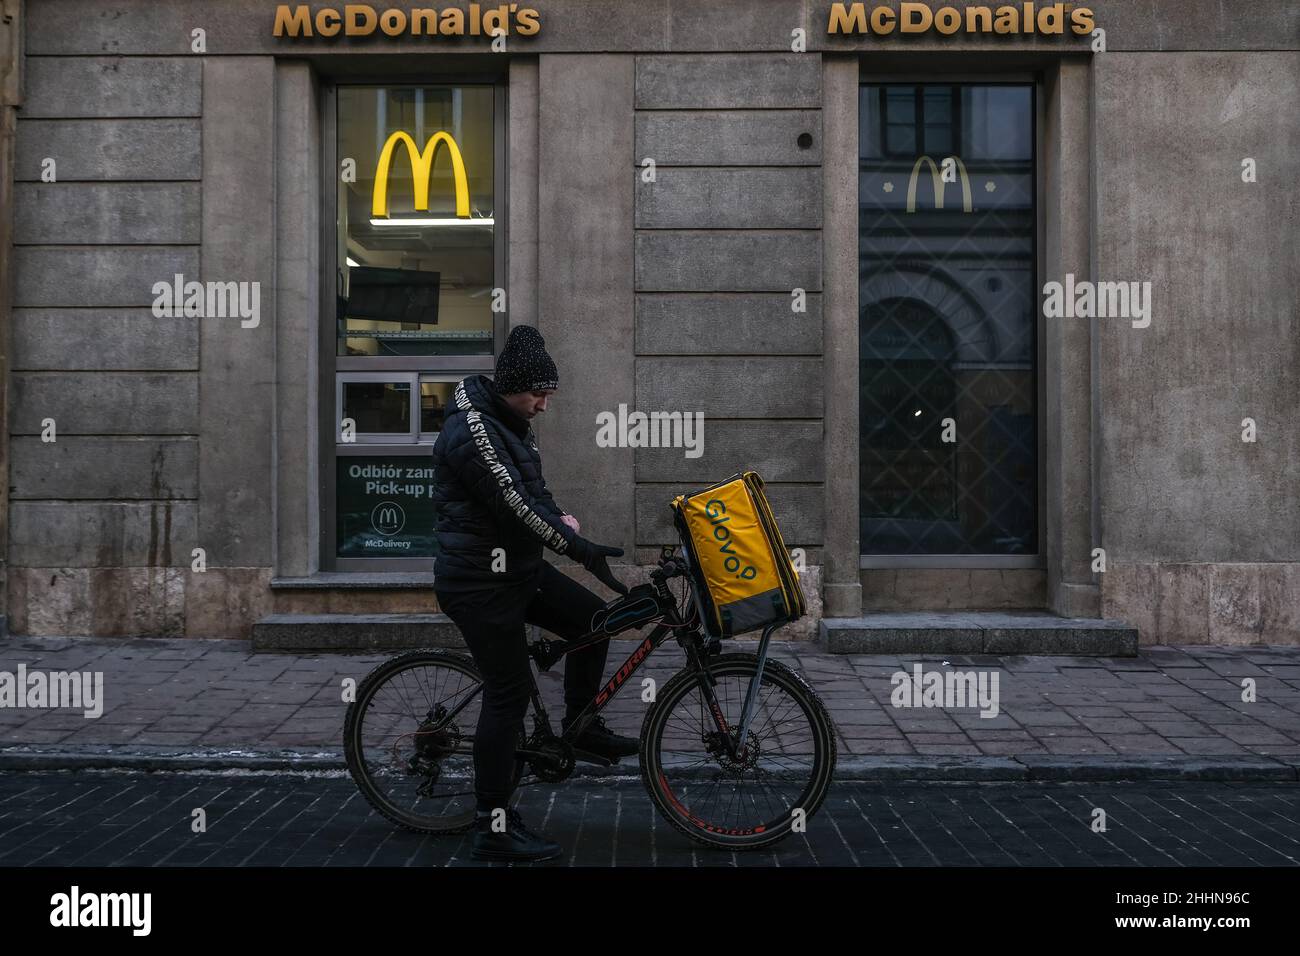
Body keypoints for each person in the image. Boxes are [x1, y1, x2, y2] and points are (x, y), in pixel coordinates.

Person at [430, 324, 639, 863]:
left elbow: (536, 495)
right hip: (477, 582)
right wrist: (578, 547)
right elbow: (515, 507)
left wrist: (563, 524)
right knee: (509, 693)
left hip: (517, 571)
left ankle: (580, 725)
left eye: (549, 394)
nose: (544, 405)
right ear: (510, 386)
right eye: (538, 394)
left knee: (597, 620)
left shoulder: (513, 420)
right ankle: (491, 827)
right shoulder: (472, 430)